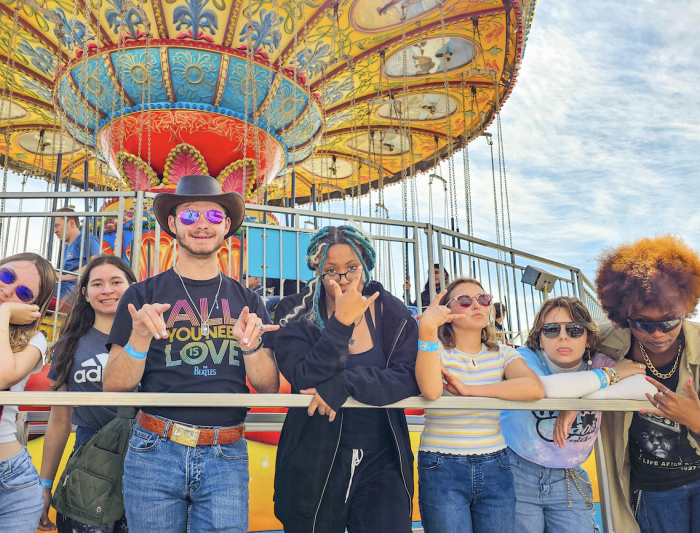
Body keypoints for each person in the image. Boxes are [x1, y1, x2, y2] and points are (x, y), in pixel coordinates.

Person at [103, 175, 280, 533]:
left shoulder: (249, 301)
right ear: (172, 224)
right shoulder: (140, 295)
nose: (202, 225)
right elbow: (114, 384)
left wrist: (252, 346)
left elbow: (268, 386)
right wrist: (139, 337)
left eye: (214, 217)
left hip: (226, 452)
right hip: (154, 448)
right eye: (189, 216)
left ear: (227, 226)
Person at [271, 225, 420, 533]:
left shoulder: (393, 312)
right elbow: (302, 375)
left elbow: (408, 376)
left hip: (383, 456)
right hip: (313, 456)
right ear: (317, 270)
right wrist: (341, 323)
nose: (343, 279)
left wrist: (344, 383)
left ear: (365, 265)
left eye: (352, 268)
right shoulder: (294, 311)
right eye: (330, 271)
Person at [500, 296, 653, 533]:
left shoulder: (598, 363)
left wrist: (581, 400)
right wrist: (607, 378)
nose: (563, 336)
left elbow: (647, 388)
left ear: (588, 338)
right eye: (551, 330)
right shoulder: (523, 358)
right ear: (540, 338)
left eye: (574, 329)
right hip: (517, 471)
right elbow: (542, 389)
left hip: (570, 477)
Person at [415, 277, 544, 533]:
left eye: (483, 299)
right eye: (465, 301)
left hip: (495, 464)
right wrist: (427, 330)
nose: (477, 305)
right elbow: (430, 390)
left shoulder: (503, 353)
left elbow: (534, 388)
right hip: (442, 464)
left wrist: (470, 391)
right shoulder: (435, 350)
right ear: (448, 312)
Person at [595, 235, 700, 533]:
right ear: (623, 316)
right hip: (653, 491)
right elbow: (544, 345)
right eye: (642, 323)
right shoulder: (601, 343)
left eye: (669, 321)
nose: (657, 333)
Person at [38, 255, 136, 532]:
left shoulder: (152, 338)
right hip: (89, 466)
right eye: (97, 284)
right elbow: (59, 421)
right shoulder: (70, 345)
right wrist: (46, 485)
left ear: (132, 287)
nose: (107, 290)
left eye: (116, 282)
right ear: (85, 293)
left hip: (146, 464)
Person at [0, 253, 56, 532]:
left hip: (12, 482)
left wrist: (3, 313)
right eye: (6, 276)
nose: (8, 291)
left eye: (23, 293)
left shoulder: (33, 340)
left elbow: (2, 375)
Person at [53, 207, 100, 300]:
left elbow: (96, 264)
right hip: (64, 288)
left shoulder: (86, 238)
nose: (55, 231)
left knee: (38, 289)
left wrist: (63, 277)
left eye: (57, 225)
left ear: (71, 223)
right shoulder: (67, 247)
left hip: (75, 290)